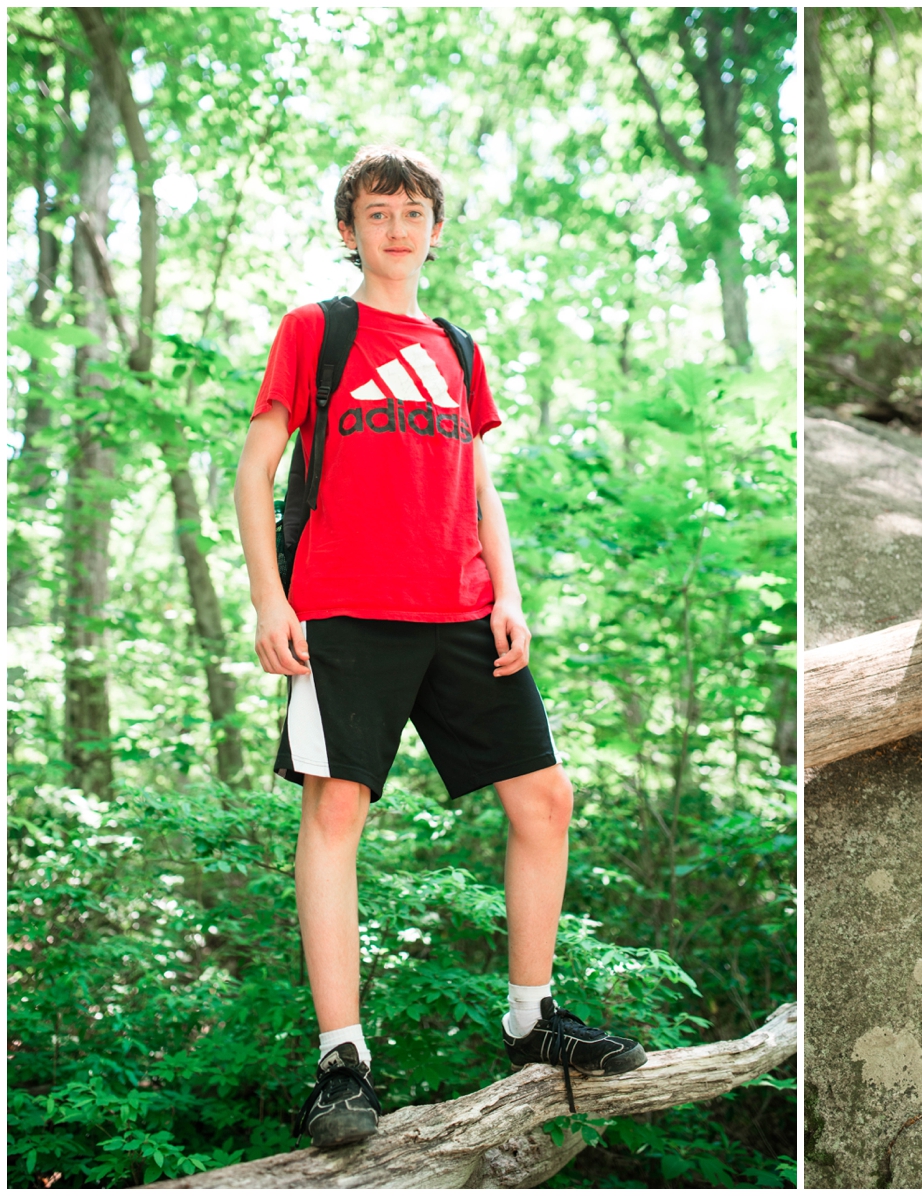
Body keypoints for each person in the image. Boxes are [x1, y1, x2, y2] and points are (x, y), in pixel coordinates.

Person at [235, 146, 645, 1149]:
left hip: (460, 607)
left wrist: (507, 590)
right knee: (337, 810)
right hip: (341, 610)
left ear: (435, 228)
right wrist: (267, 598)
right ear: (349, 229)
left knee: (545, 797)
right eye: (378, 211)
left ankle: (531, 1018)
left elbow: (477, 482)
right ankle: (341, 1061)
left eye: (414, 210)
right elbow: (256, 471)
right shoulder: (316, 331)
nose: (398, 226)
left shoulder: (459, 346)